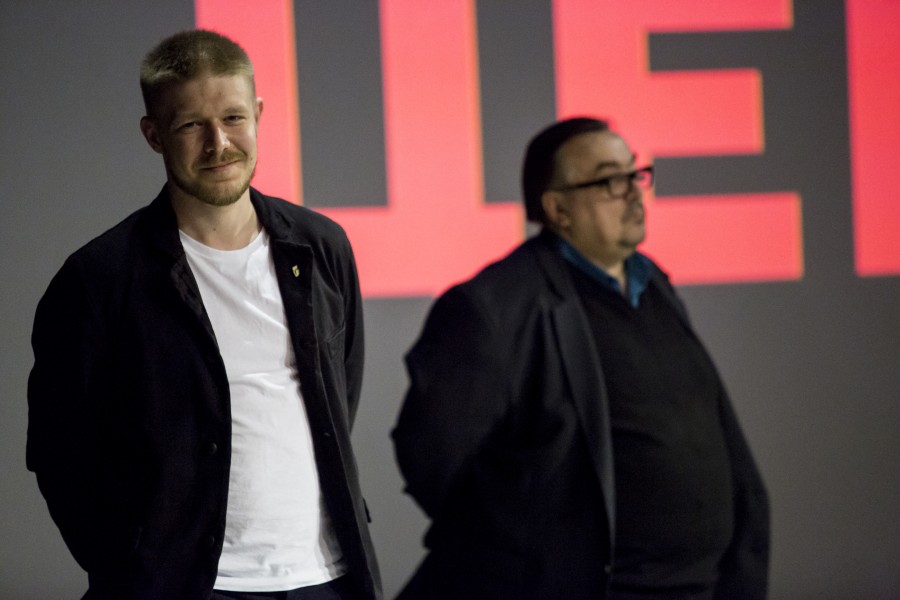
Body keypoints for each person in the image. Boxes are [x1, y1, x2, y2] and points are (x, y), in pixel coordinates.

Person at [27, 30, 381, 600]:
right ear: (153, 134)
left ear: (259, 114)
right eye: (192, 125)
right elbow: (60, 450)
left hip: (327, 578)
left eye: (233, 118)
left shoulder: (322, 246)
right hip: (183, 587)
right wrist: (129, 567)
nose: (219, 144)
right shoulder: (98, 279)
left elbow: (339, 392)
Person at [392, 117, 769, 600]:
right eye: (610, 181)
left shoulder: (652, 284)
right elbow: (432, 455)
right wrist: (523, 555)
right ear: (558, 209)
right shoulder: (494, 306)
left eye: (635, 175)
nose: (633, 193)